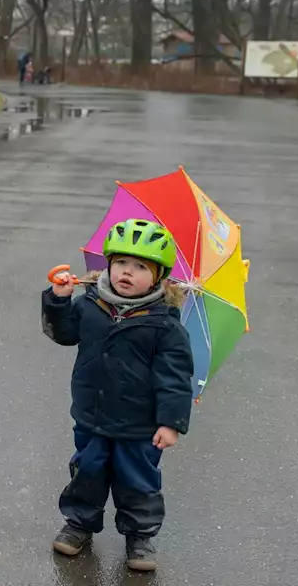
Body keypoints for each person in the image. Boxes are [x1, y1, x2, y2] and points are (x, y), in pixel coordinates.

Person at [41, 219, 195, 572]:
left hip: (139, 425)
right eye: (122, 262)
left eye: (140, 266)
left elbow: (175, 377)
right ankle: (79, 523)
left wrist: (171, 422)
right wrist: (58, 301)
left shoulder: (165, 324)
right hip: (92, 415)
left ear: (158, 276)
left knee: (137, 481)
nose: (128, 272)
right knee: (87, 470)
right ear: (108, 264)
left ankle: (139, 536)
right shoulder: (90, 304)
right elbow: (63, 334)